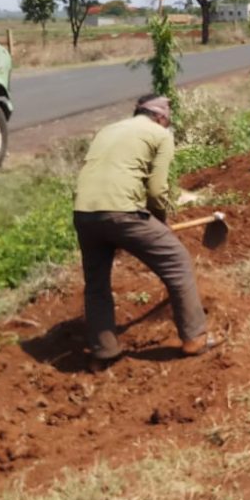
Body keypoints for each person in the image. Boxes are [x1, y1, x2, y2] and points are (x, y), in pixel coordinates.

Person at [73, 94, 217, 368]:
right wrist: (160, 221)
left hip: (83, 212)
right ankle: (195, 338)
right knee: (177, 262)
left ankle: (104, 350)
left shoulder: (108, 130)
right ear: (162, 118)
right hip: (122, 211)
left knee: (96, 283)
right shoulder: (160, 135)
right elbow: (156, 189)